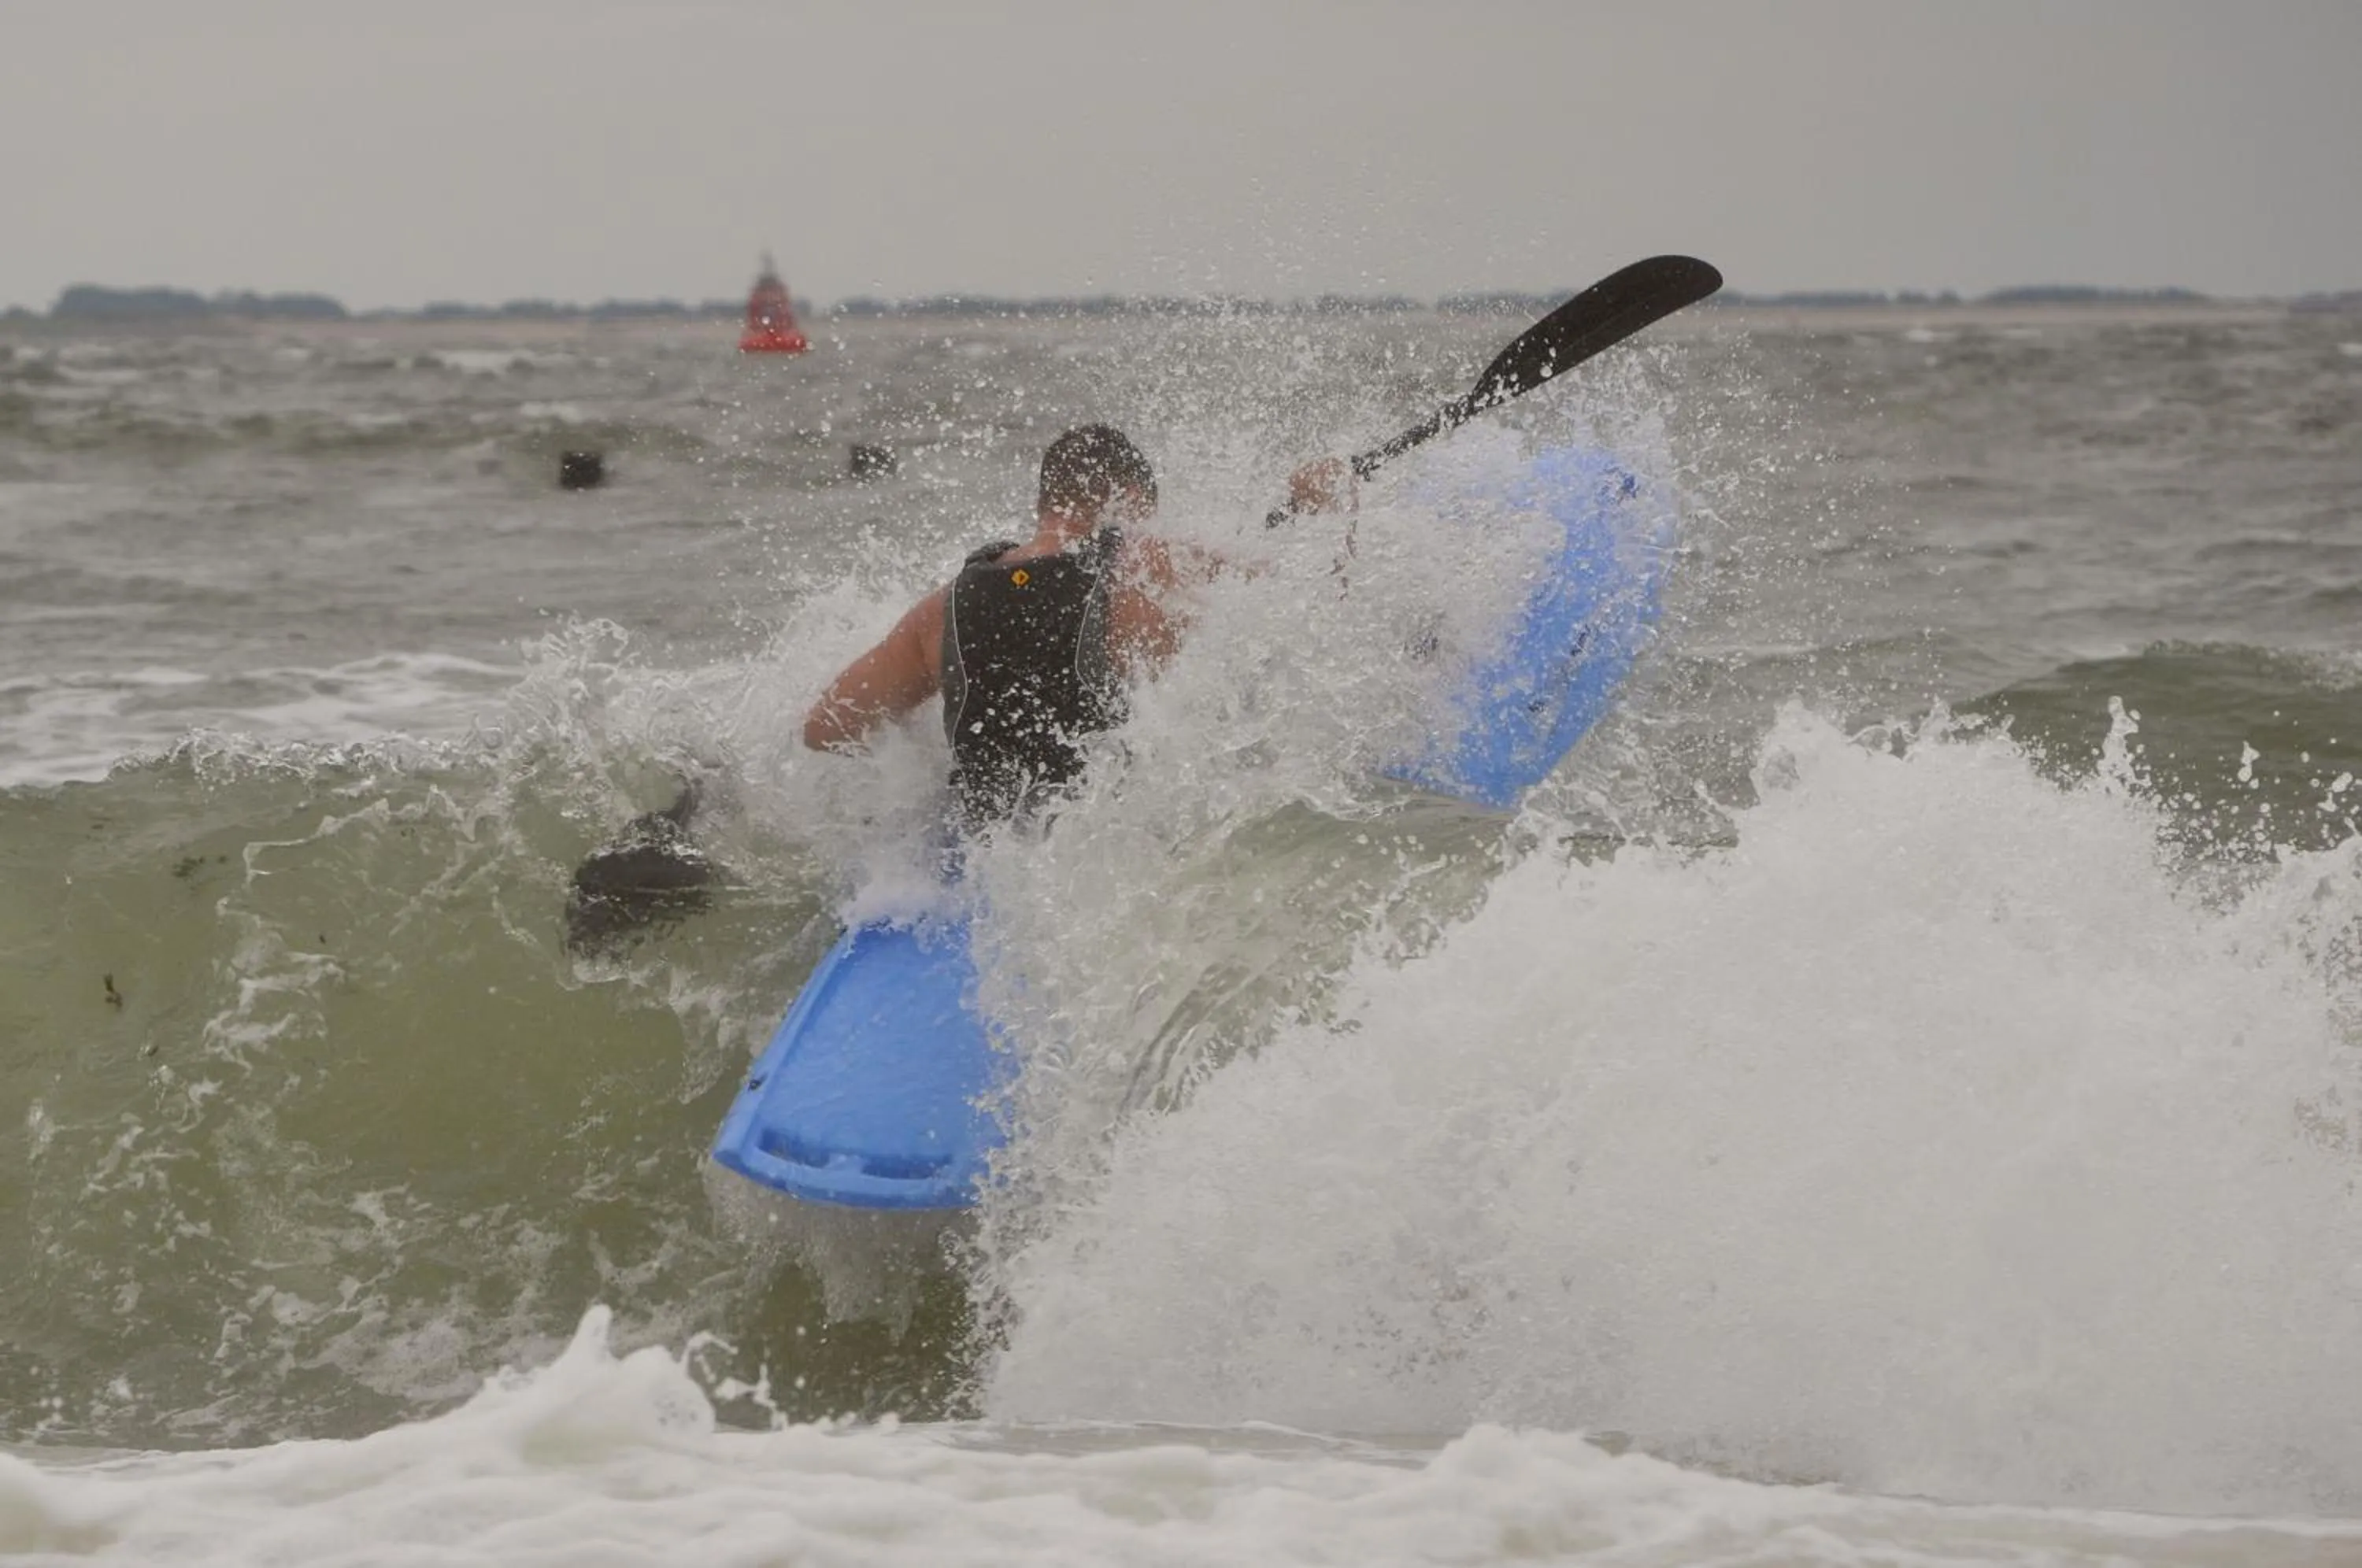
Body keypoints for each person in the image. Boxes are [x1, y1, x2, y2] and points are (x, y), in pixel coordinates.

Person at [802, 423, 1346, 828]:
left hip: (982, 843)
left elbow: (827, 728)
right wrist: (1332, 507)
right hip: (1095, 851)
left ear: (1045, 504)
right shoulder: (1146, 564)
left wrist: (913, 765)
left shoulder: (943, 607)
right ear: (1128, 499)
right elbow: (1314, 604)